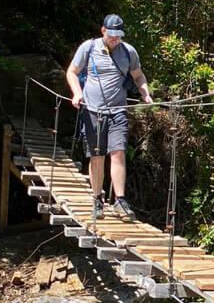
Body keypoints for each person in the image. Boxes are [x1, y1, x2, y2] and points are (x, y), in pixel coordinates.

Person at [66, 14, 153, 221]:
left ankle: (120, 200)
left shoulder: (128, 52)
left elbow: (138, 76)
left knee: (118, 152)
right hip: (93, 111)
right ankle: (97, 199)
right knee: (96, 156)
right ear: (103, 30)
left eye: (119, 36)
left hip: (118, 111)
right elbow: (72, 72)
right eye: (112, 35)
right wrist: (77, 93)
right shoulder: (89, 48)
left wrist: (145, 93)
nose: (115, 39)